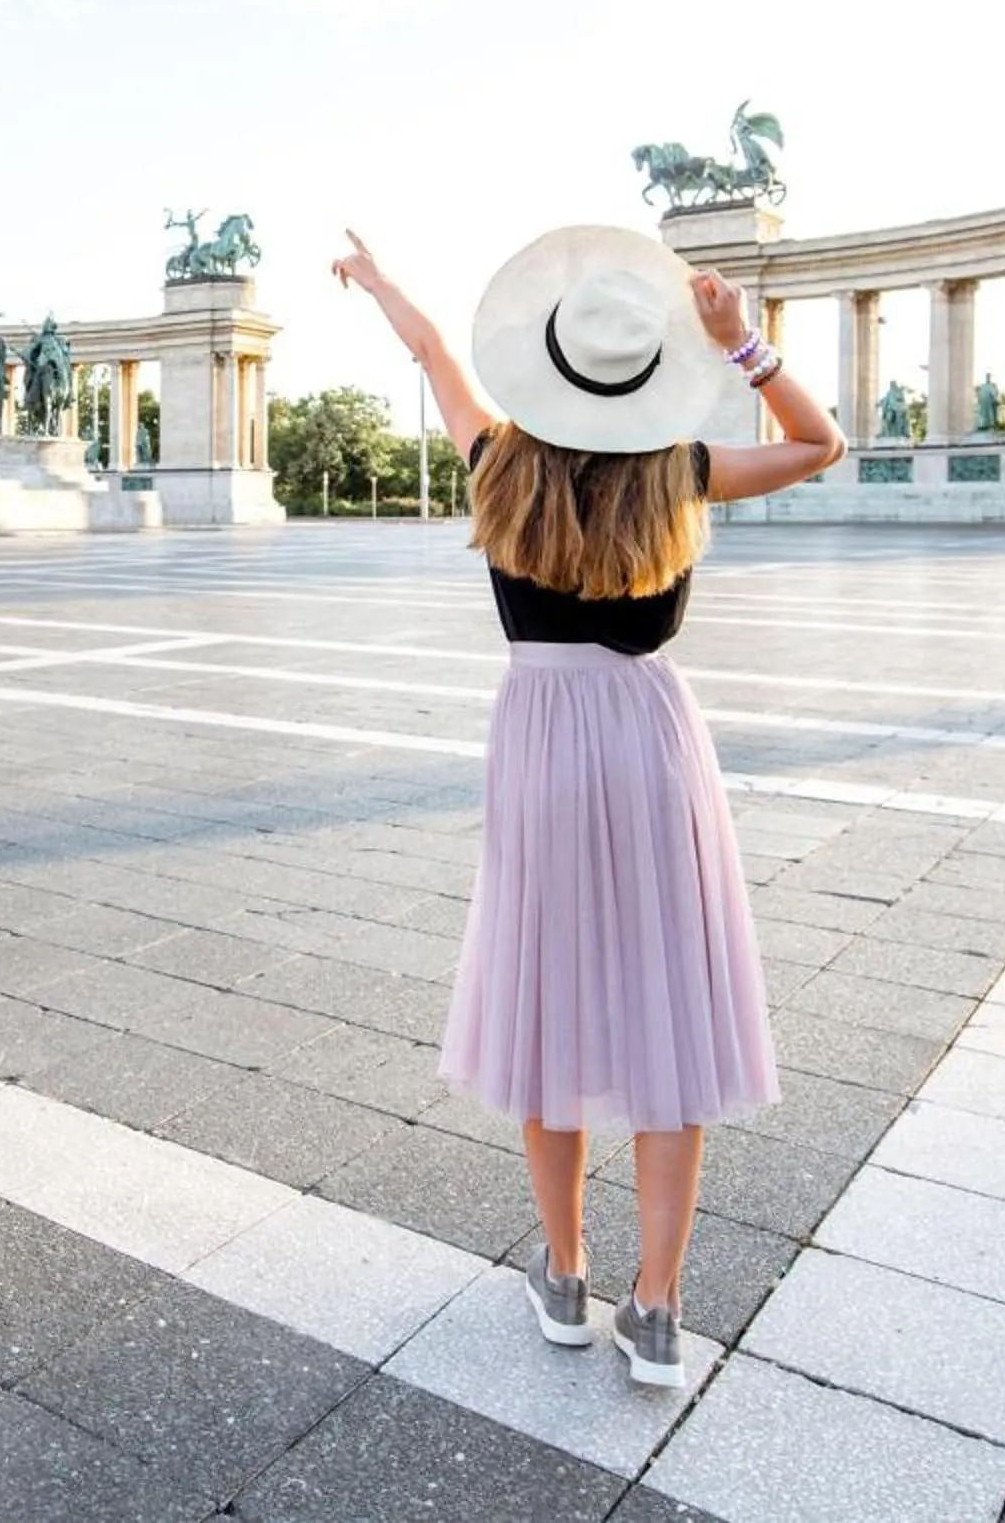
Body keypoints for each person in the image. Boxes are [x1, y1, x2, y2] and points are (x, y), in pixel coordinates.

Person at [333, 224, 843, 1388]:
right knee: (669, 1002)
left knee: (549, 1000)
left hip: (540, 734)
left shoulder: (496, 462)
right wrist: (744, 345)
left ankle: (565, 1275)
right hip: (652, 736)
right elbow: (825, 443)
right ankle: (657, 1306)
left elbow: (427, 352)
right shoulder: (684, 468)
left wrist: (375, 279)